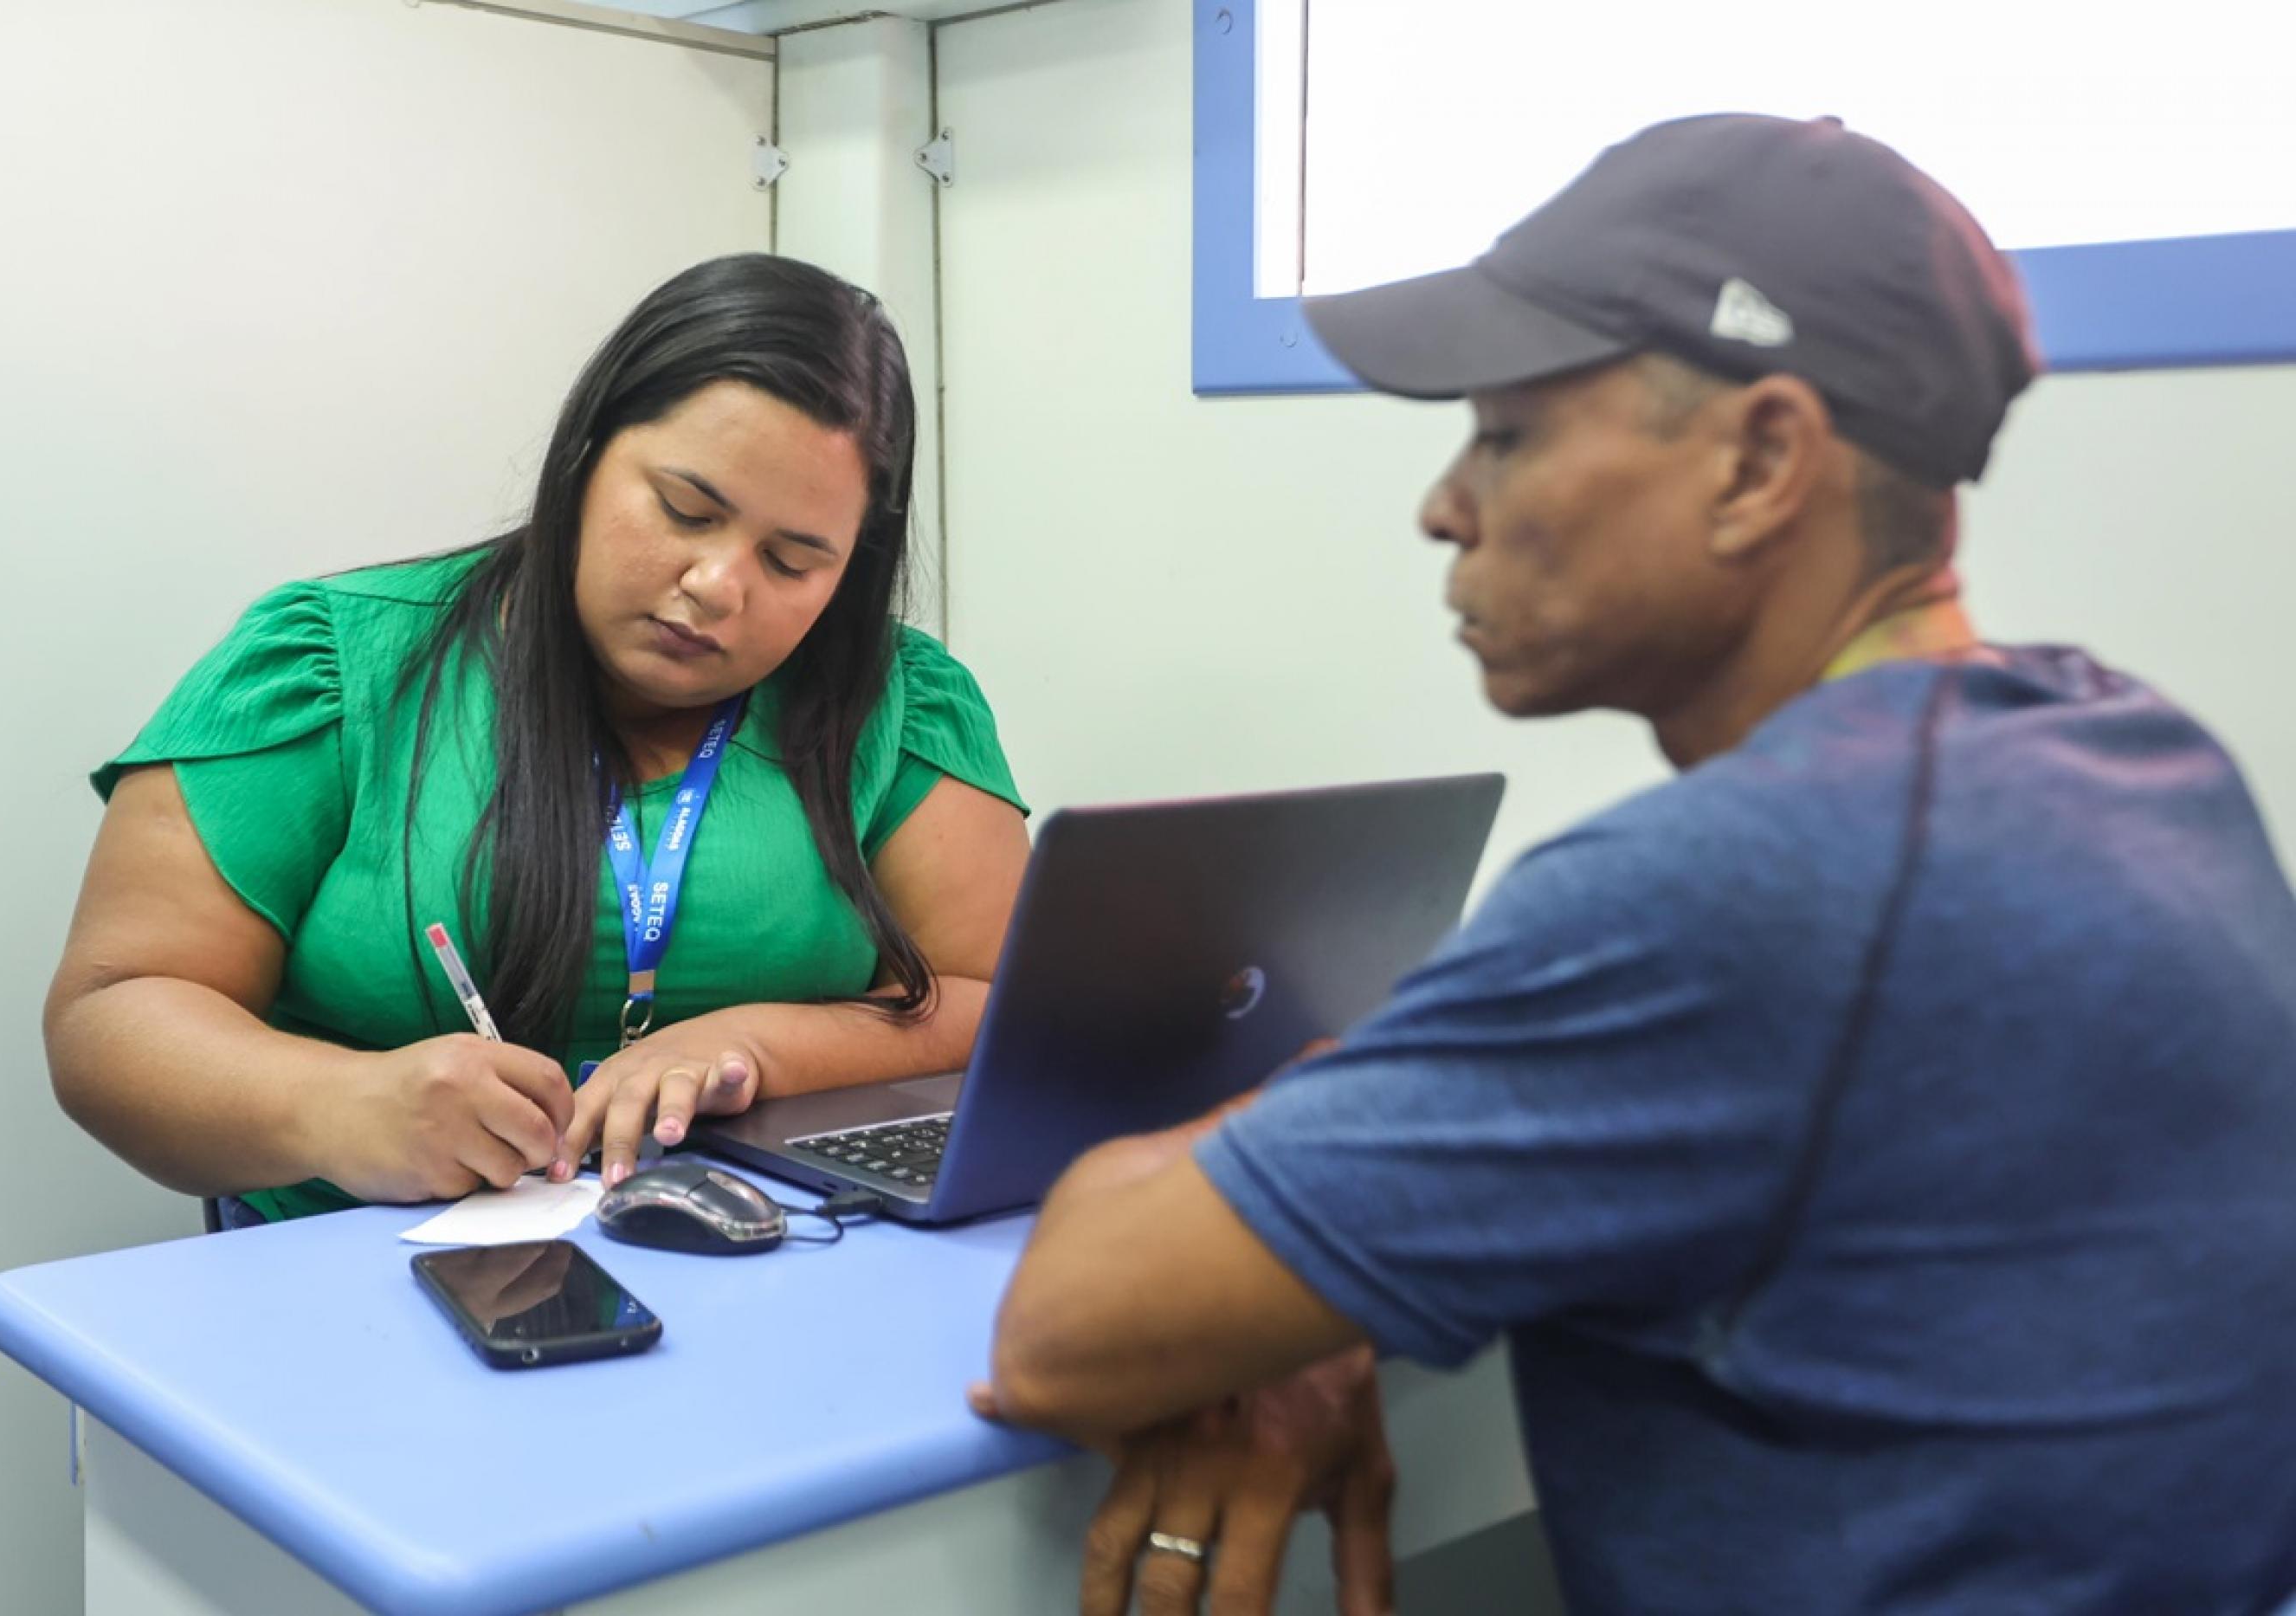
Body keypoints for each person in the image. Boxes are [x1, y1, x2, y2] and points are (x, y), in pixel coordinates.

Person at [977, 114, 2296, 1615]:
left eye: (1510, 434)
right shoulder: (2140, 760)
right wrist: (1349, 1239)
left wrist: (1314, 1199)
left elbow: (1068, 1325)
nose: (1444, 506)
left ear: (1761, 460)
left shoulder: (1751, 884)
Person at [46, 254, 1030, 1225]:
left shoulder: (899, 702)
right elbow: (114, 1015)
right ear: (585, 451)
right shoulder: (333, 664)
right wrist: (336, 1106)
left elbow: (1000, 999)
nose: (719, 586)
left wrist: (759, 1046)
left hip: (774, 1266)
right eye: (685, 510)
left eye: (792, 561)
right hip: (348, 1280)